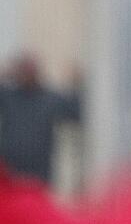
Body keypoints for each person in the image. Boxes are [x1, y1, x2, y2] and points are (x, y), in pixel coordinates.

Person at [0, 54, 80, 187]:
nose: (27, 75)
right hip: (11, 169)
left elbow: (76, 112)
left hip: (39, 171)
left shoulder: (50, 98)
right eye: (23, 71)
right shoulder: (7, 95)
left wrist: (76, 84)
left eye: (30, 71)